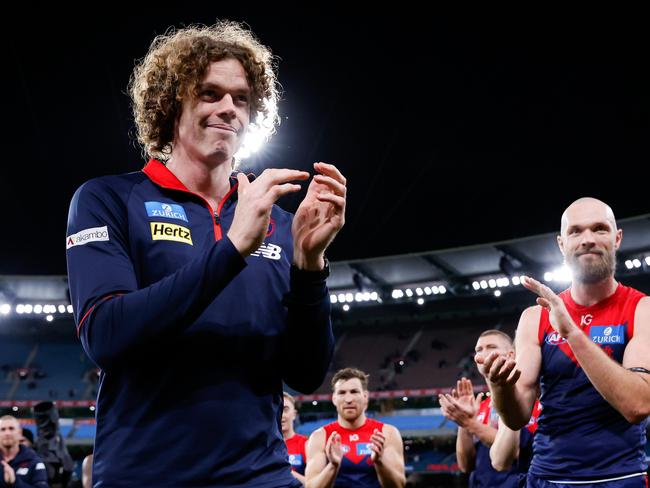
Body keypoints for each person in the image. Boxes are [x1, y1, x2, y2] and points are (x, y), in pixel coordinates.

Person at [66, 21, 346, 486]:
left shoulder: (276, 223)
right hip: (145, 476)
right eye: (210, 93)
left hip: (262, 476)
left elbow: (305, 372)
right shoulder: (108, 199)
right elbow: (105, 335)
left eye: (241, 98)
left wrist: (308, 267)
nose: (228, 109)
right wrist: (233, 248)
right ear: (171, 102)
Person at [481, 197, 650, 487]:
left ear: (617, 238)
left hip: (621, 476)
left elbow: (637, 405)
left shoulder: (642, 309)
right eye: (576, 231)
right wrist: (500, 388)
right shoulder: (536, 317)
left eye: (599, 229)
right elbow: (517, 416)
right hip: (548, 476)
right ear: (562, 243)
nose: (587, 239)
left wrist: (572, 333)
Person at [440, 330, 537, 487]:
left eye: (491, 347)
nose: (483, 353)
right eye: (479, 349)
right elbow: (465, 466)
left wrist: (469, 424)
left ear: (511, 355)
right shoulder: (481, 406)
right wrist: (463, 424)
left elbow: (516, 452)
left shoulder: (526, 400)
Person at [305, 367, 405, 488]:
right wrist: (333, 466)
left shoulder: (387, 433)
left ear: (365, 396)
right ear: (334, 398)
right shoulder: (320, 437)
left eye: (354, 392)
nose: (348, 399)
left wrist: (379, 462)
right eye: (342, 393)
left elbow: (399, 485)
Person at [0, 416, 49, 488]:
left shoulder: (34, 461)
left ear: (20, 433)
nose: (7, 433)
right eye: (3, 429)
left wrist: (15, 482)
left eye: (11, 428)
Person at [283, 392, 308, 484]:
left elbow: (316, 484)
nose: (281, 415)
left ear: (294, 414)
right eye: (278, 410)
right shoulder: (264, 446)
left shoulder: (306, 444)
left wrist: (283, 470)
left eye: (285, 410)